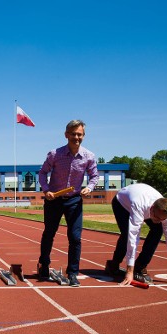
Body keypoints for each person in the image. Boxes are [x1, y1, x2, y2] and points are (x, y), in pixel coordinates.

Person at [37, 119, 99, 287]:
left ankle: (72, 273)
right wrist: (46, 189)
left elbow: (94, 176)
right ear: (66, 135)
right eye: (73, 134)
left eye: (79, 134)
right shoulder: (54, 154)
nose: (76, 137)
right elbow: (42, 173)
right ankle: (44, 264)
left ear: (84, 136)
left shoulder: (89, 156)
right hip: (54, 199)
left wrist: (90, 187)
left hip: (74, 200)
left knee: (75, 237)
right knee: (49, 233)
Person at [105, 183, 167, 286]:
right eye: (156, 217)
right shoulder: (139, 205)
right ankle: (113, 264)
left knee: (158, 230)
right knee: (127, 233)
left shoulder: (165, 215)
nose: (158, 221)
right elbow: (133, 237)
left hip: (143, 199)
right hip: (122, 204)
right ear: (152, 208)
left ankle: (140, 266)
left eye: (162, 219)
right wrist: (129, 271)